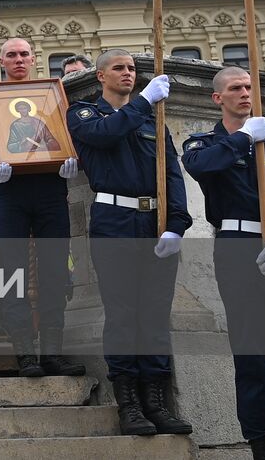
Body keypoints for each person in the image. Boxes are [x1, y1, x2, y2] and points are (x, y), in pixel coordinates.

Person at [182, 66, 265, 460]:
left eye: (248, 87)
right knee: (252, 357)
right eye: (236, 88)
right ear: (217, 98)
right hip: (239, 252)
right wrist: (242, 139)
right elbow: (200, 169)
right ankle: (264, 444)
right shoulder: (204, 144)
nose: (245, 93)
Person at [68, 51, 192, 437]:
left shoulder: (154, 120)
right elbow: (104, 137)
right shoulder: (86, 114)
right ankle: (130, 403)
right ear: (101, 75)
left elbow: (171, 173)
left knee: (154, 314)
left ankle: (156, 400)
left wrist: (176, 224)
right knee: (122, 314)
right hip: (115, 219)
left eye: (133, 69)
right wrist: (143, 102)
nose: (128, 73)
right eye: (119, 68)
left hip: (154, 222)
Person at [0, 38, 82, 376]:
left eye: (24, 54)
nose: (19, 59)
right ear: (2, 61)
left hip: (50, 188)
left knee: (54, 267)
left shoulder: (50, 101)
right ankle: (24, 352)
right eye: (11, 54)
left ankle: (52, 351)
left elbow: (59, 138)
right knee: (12, 271)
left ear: (33, 59)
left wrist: (69, 158)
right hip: (9, 192)